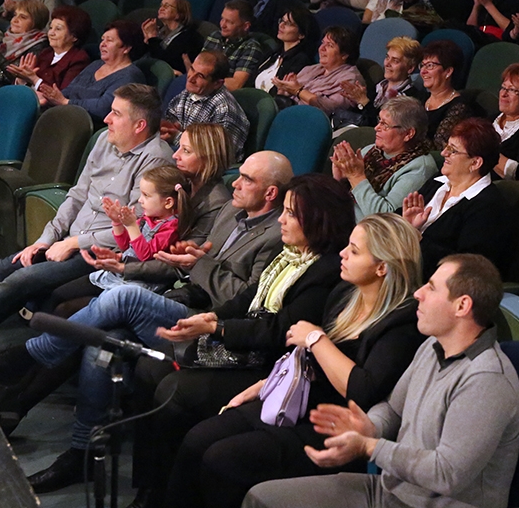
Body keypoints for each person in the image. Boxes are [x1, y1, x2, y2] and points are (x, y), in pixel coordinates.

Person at [0, 151, 296, 494]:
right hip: (182, 297)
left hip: (210, 322)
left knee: (121, 298)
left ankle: (22, 357)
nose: (236, 183)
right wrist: (164, 265)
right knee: (102, 346)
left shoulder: (276, 235)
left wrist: (194, 265)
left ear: (270, 193)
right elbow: (185, 262)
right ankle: (81, 454)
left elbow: (244, 298)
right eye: (239, 174)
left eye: (247, 179)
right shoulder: (233, 211)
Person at [0, 124, 235, 436]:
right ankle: (14, 395)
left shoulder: (215, 201)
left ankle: (15, 395)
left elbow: (175, 265)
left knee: (76, 321)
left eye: (186, 150)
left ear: (208, 157)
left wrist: (124, 267)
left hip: (160, 287)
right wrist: (121, 240)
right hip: (130, 267)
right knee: (59, 300)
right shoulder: (180, 182)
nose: (175, 154)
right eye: (179, 146)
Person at [160, 210, 422, 508]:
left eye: (354, 251)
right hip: (294, 400)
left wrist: (316, 339)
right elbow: (302, 360)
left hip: (329, 422)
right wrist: (263, 385)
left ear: (382, 268)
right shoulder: (346, 293)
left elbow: (362, 391)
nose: (343, 254)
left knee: (222, 459)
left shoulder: (401, 324)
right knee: (197, 440)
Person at [241, 253, 519, 508]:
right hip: (392, 491)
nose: (418, 293)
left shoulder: (487, 380)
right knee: (262, 498)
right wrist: (369, 426)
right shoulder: (432, 346)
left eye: (431, 288)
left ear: (462, 306)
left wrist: (369, 447)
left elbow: (446, 474)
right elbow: (393, 408)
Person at [0, 84, 174, 346]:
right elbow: (77, 195)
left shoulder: (156, 159)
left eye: (116, 114)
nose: (107, 119)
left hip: (101, 253)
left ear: (139, 126)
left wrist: (73, 243)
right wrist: (46, 238)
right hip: (68, 240)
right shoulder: (105, 140)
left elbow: (136, 228)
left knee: (17, 281)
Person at [403, 119, 513, 278]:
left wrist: (416, 237)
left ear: (475, 163)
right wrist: (405, 225)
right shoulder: (437, 183)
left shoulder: (489, 207)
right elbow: (398, 218)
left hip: (431, 282)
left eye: (452, 150)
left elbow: (466, 267)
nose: (443, 153)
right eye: (446, 146)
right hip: (402, 268)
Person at [332, 97, 438, 221]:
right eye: (379, 121)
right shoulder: (372, 150)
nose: (376, 127)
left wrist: (356, 176)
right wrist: (340, 180)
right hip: (342, 217)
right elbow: (345, 197)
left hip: (366, 229)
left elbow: (386, 217)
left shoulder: (419, 169)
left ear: (408, 134)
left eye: (385, 125)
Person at [88, 165, 187, 292]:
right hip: (124, 273)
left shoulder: (171, 227)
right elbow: (126, 246)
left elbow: (145, 255)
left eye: (146, 195)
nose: (140, 200)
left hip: (142, 281)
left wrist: (131, 225)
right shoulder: (148, 219)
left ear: (168, 202)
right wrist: (117, 222)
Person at [41, 20, 147, 124]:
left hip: (90, 125)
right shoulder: (96, 65)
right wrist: (49, 97)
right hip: (67, 116)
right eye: (102, 40)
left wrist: (66, 102)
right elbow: (70, 90)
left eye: (109, 40)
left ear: (126, 48)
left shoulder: (129, 76)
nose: (102, 44)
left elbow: (103, 108)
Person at [163, 50, 250, 158]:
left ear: (217, 83)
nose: (191, 78)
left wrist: (176, 137)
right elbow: (170, 121)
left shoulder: (224, 111)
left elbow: (215, 156)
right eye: (192, 69)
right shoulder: (189, 93)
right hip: (181, 156)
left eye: (200, 76)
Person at [271, 26, 365, 117]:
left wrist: (298, 91)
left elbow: (330, 108)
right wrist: (284, 93)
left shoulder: (350, 79)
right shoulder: (310, 69)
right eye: (323, 43)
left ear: (344, 54)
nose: (321, 48)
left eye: (330, 45)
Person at [5, 4, 92, 93]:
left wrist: (34, 79)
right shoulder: (46, 53)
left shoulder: (79, 59)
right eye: (50, 28)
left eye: (58, 29)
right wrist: (21, 80)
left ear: (74, 37)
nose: (51, 33)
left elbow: (64, 95)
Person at [339, 36, 424, 127]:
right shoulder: (376, 88)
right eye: (387, 57)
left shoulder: (410, 99)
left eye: (395, 61)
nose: (387, 63)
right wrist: (357, 102)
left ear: (410, 68)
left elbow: (381, 126)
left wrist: (364, 102)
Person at [0, 0, 49, 84]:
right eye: (15, 15)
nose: (15, 20)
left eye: (23, 17)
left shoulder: (40, 46)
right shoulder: (6, 40)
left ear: (36, 22)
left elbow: (17, 79)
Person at [201, 0, 270, 91]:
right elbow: (197, 67)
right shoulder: (214, 36)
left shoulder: (250, 48)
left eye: (230, 22)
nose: (222, 25)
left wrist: (203, 78)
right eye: (222, 19)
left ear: (246, 26)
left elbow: (236, 84)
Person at [419, 40, 475, 150]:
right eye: (422, 65)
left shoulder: (459, 108)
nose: (423, 71)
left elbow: (439, 146)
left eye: (430, 66)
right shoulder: (419, 99)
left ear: (448, 71)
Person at [254, 7, 316, 94]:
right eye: (282, 20)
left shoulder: (301, 61)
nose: (281, 25)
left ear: (301, 34)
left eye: (288, 24)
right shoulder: (274, 54)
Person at [141, 0, 204, 75]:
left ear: (179, 14)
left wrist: (152, 37)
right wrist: (146, 39)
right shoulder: (159, 32)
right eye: (161, 5)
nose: (161, 8)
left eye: (166, 6)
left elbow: (164, 63)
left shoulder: (189, 37)